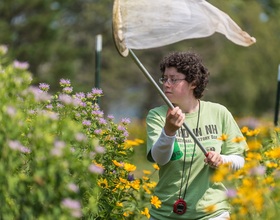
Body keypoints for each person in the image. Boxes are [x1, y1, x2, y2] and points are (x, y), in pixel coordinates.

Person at [146, 51, 247, 220]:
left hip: (212, 213)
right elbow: (160, 159)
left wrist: (222, 160)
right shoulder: (157, 115)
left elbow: (240, 160)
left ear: (193, 82)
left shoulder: (219, 113)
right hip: (165, 214)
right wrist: (169, 131)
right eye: (164, 78)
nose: (166, 84)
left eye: (174, 79)